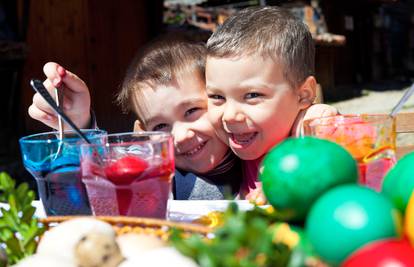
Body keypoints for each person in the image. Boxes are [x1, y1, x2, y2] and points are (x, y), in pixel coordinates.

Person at [30, 38, 242, 200]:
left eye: (191, 111)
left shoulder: (255, 154)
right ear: (143, 133)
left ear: (219, 98)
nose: (180, 136)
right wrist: (77, 125)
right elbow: (99, 171)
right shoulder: (154, 174)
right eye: (160, 126)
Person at [204, 6, 337, 198]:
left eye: (252, 95)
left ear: (304, 95)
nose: (230, 115)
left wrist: (319, 124)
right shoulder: (240, 137)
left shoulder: (308, 135)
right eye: (217, 97)